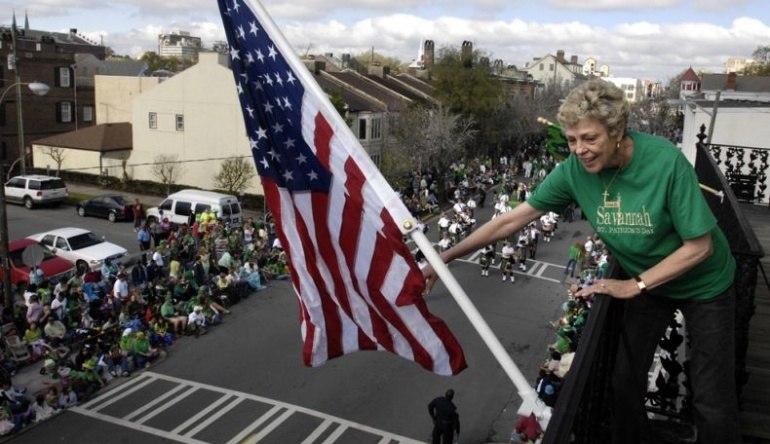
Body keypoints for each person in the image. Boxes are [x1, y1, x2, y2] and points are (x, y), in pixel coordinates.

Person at [423, 79, 740, 444]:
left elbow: (700, 247)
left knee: (711, 399)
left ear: (618, 131)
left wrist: (633, 284)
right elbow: (511, 219)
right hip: (651, 285)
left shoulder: (665, 161)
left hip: (704, 285)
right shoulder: (573, 172)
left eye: (590, 138)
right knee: (623, 382)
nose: (580, 150)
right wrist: (444, 256)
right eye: (572, 140)